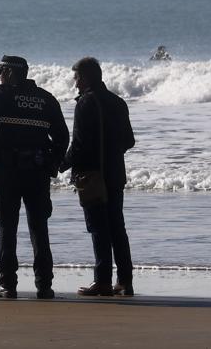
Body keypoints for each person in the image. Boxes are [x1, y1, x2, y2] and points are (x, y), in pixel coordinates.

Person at [0, 55, 69, 299]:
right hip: (38, 173)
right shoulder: (46, 99)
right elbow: (63, 137)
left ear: (9, 73)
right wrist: (53, 163)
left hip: (8, 171)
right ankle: (44, 285)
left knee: (7, 228)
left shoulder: (4, 95)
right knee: (39, 228)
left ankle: (8, 284)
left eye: (1, 72)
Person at [62, 56, 136, 297]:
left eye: (76, 79)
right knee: (117, 227)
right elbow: (129, 141)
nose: (75, 84)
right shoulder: (118, 102)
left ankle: (102, 281)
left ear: (85, 78)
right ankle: (125, 281)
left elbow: (79, 144)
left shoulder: (85, 104)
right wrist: (111, 153)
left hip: (92, 176)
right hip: (116, 173)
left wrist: (61, 165)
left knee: (98, 228)